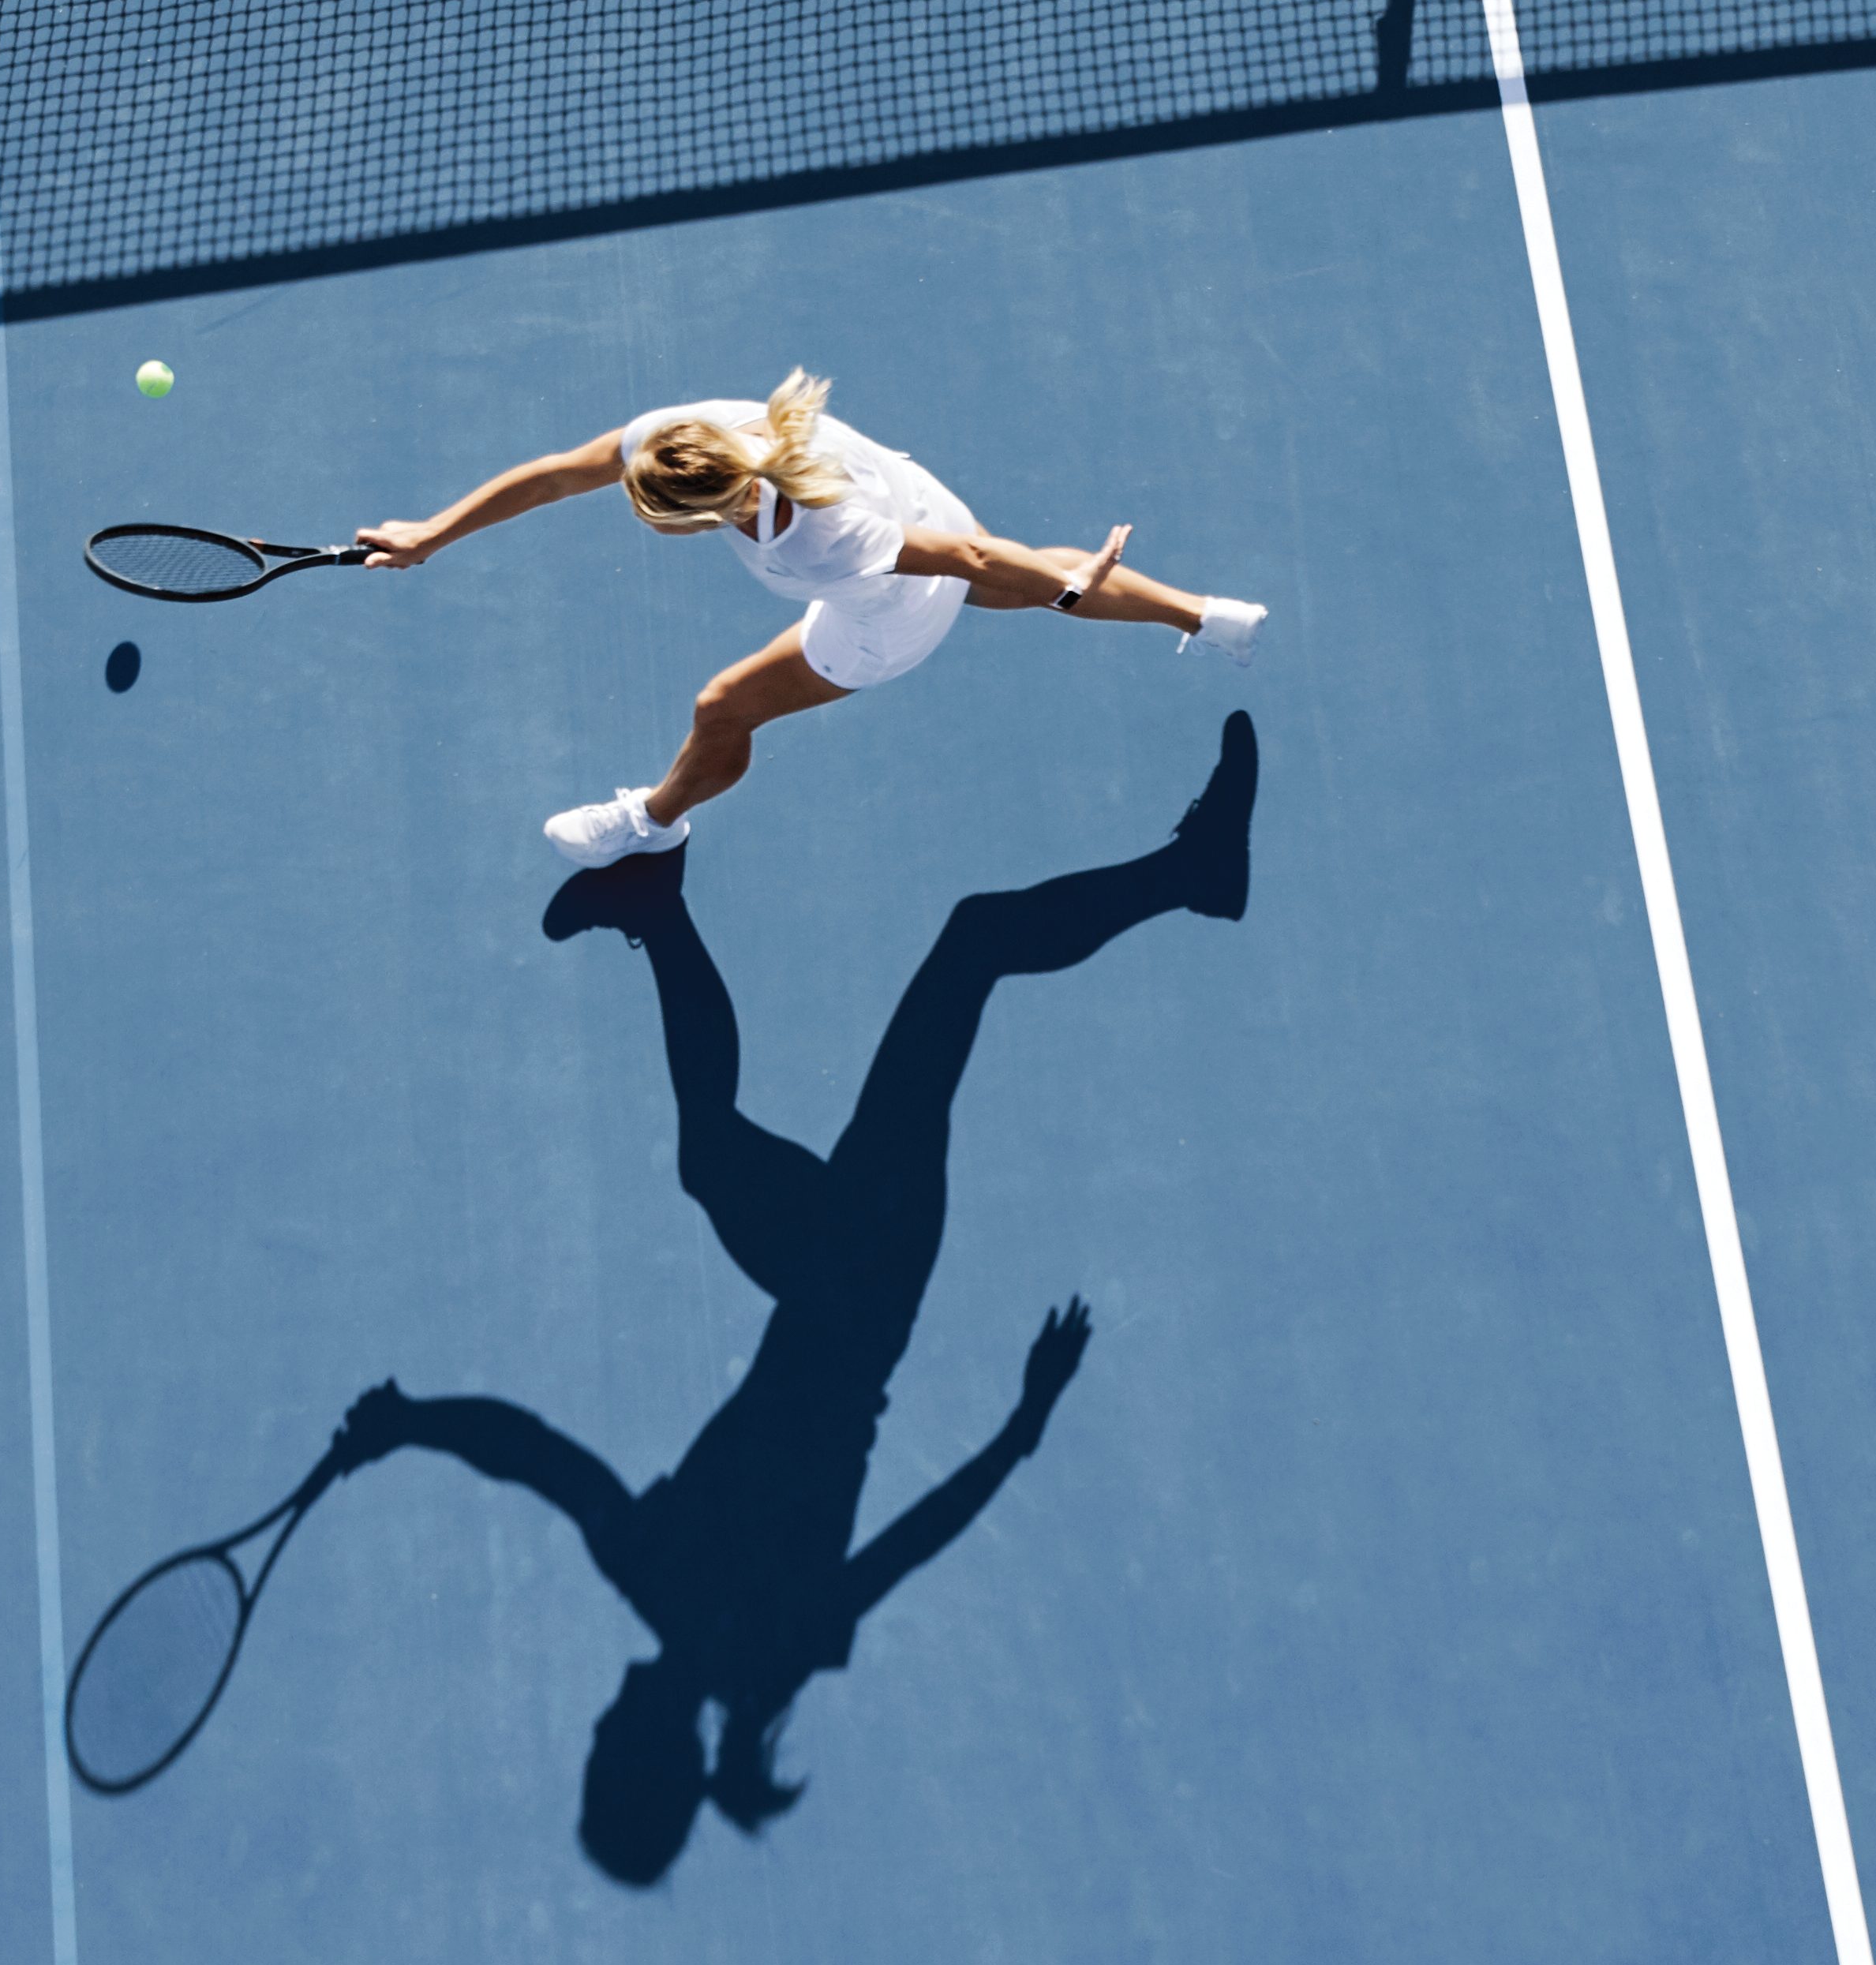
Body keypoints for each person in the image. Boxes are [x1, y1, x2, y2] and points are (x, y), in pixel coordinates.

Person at [328, 719, 1252, 1881]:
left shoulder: (738, 1635)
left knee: (724, 1145)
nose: (600, 1726)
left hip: (859, 1286)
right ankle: (1193, 874)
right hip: (864, 1279)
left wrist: (1021, 1432)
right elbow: (542, 1457)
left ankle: (659, 907)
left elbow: (537, 1458)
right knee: (958, 957)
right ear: (643, 1756)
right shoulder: (684, 1599)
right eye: (607, 1752)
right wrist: (407, 1424)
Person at [351, 371, 1268, 861]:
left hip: (888, 613)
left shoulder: (815, 543)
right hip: (921, 499)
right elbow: (560, 471)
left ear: (718, 512)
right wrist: (433, 533)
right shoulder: (693, 431)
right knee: (1013, 576)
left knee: (724, 708)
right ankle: (1213, 614)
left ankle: (651, 823)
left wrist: (1067, 590)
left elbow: (967, 563)